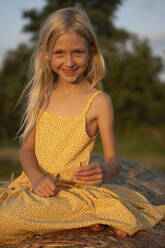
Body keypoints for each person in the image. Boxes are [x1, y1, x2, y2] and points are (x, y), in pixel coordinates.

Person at [0, 6, 165, 245]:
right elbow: (26, 150)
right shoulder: (42, 96)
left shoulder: (99, 102)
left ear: (91, 51)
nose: (69, 62)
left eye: (77, 52)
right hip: (36, 186)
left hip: (73, 192)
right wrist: (36, 179)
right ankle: (83, 219)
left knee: (5, 222)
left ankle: (84, 215)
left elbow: (114, 161)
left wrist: (104, 171)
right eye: (59, 53)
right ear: (46, 53)